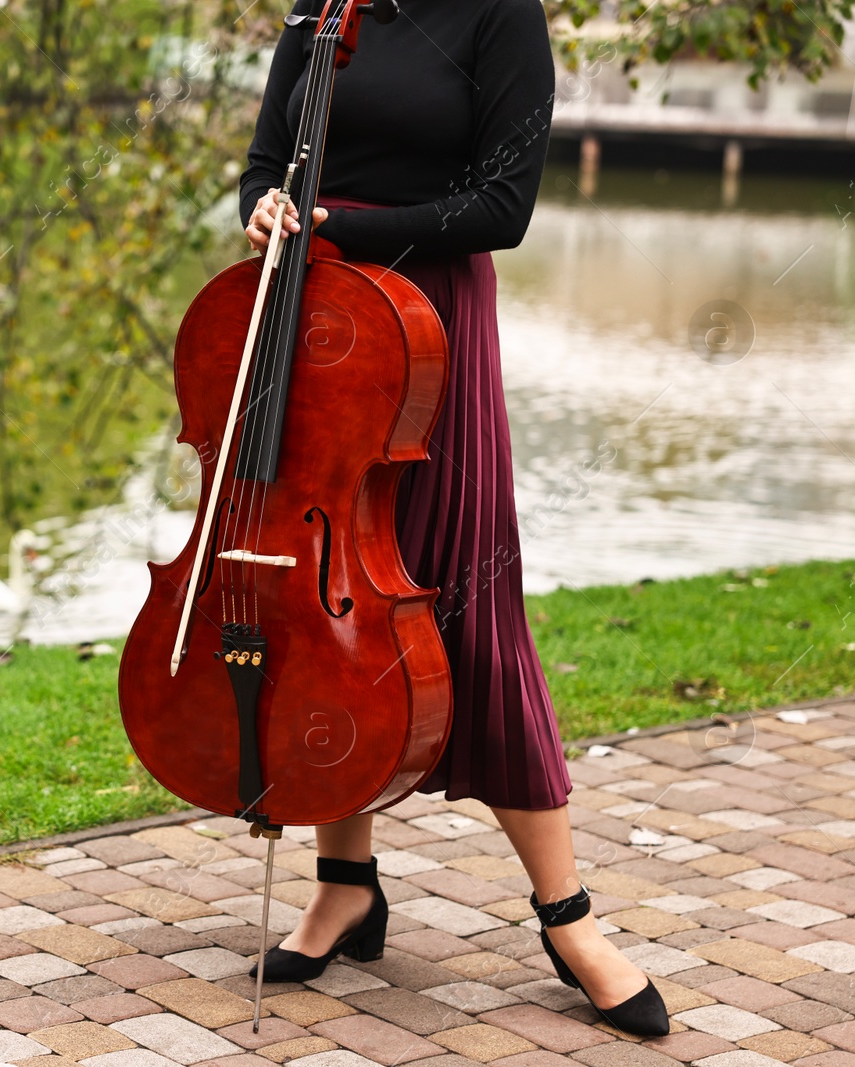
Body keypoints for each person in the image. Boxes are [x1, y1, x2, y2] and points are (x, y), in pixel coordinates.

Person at [238, 0, 669, 1038]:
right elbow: (262, 163)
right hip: (311, 323)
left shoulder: (498, 17)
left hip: (427, 329)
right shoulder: (319, 9)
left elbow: (500, 207)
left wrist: (336, 224)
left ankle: (566, 916)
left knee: (462, 610)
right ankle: (345, 883)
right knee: (329, 600)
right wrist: (264, 210)